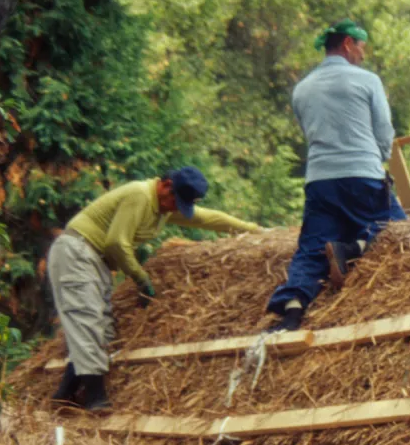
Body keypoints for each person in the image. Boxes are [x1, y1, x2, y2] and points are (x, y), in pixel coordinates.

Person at [48, 167, 260, 411]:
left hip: (96, 262)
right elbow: (116, 242)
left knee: (102, 330)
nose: (173, 207)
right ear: (165, 184)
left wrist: (254, 230)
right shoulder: (140, 195)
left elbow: (208, 218)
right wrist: (141, 279)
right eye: (174, 200)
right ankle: (96, 398)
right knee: (88, 322)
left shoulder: (162, 209)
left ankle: (63, 395)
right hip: (77, 253)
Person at [265, 19, 406, 331]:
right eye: (361, 47)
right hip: (362, 176)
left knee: (312, 246)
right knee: (400, 231)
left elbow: (310, 134)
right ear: (347, 44)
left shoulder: (301, 90)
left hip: (319, 181)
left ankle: (292, 311)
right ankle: (352, 248)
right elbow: (384, 132)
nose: (363, 55)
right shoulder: (367, 81)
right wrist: (376, 159)